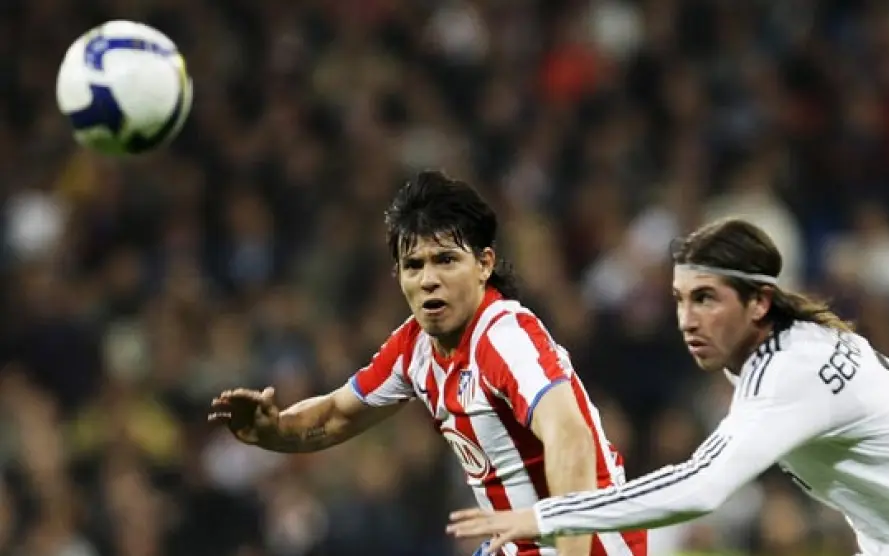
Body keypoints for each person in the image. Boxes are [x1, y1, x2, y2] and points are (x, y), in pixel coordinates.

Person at [446, 218, 889, 556]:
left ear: (758, 302)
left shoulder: (792, 370)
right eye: (680, 299)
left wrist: (543, 517)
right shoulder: (791, 351)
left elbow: (700, 486)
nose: (687, 320)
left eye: (706, 299)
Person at [208, 171, 647, 556]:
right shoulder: (414, 348)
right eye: (413, 265)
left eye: (446, 260)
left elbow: (570, 435)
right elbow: (337, 414)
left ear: (484, 264)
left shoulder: (503, 336)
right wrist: (273, 430)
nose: (429, 279)